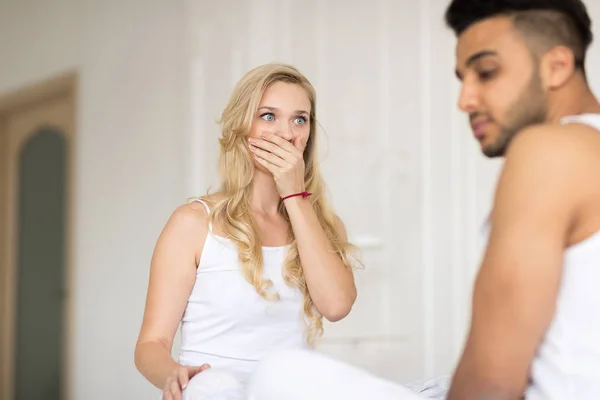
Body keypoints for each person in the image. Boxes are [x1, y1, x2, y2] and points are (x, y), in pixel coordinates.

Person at [246, 1, 600, 399]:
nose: (465, 100)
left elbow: (491, 383)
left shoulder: (550, 151)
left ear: (557, 66)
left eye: (486, 73)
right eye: (462, 78)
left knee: (281, 372)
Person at [133, 63, 359, 400]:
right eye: (269, 116)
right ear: (242, 126)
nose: (286, 133)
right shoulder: (192, 223)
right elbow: (151, 345)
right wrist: (176, 376)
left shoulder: (322, 225)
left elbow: (337, 306)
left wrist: (295, 197)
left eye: (300, 119)